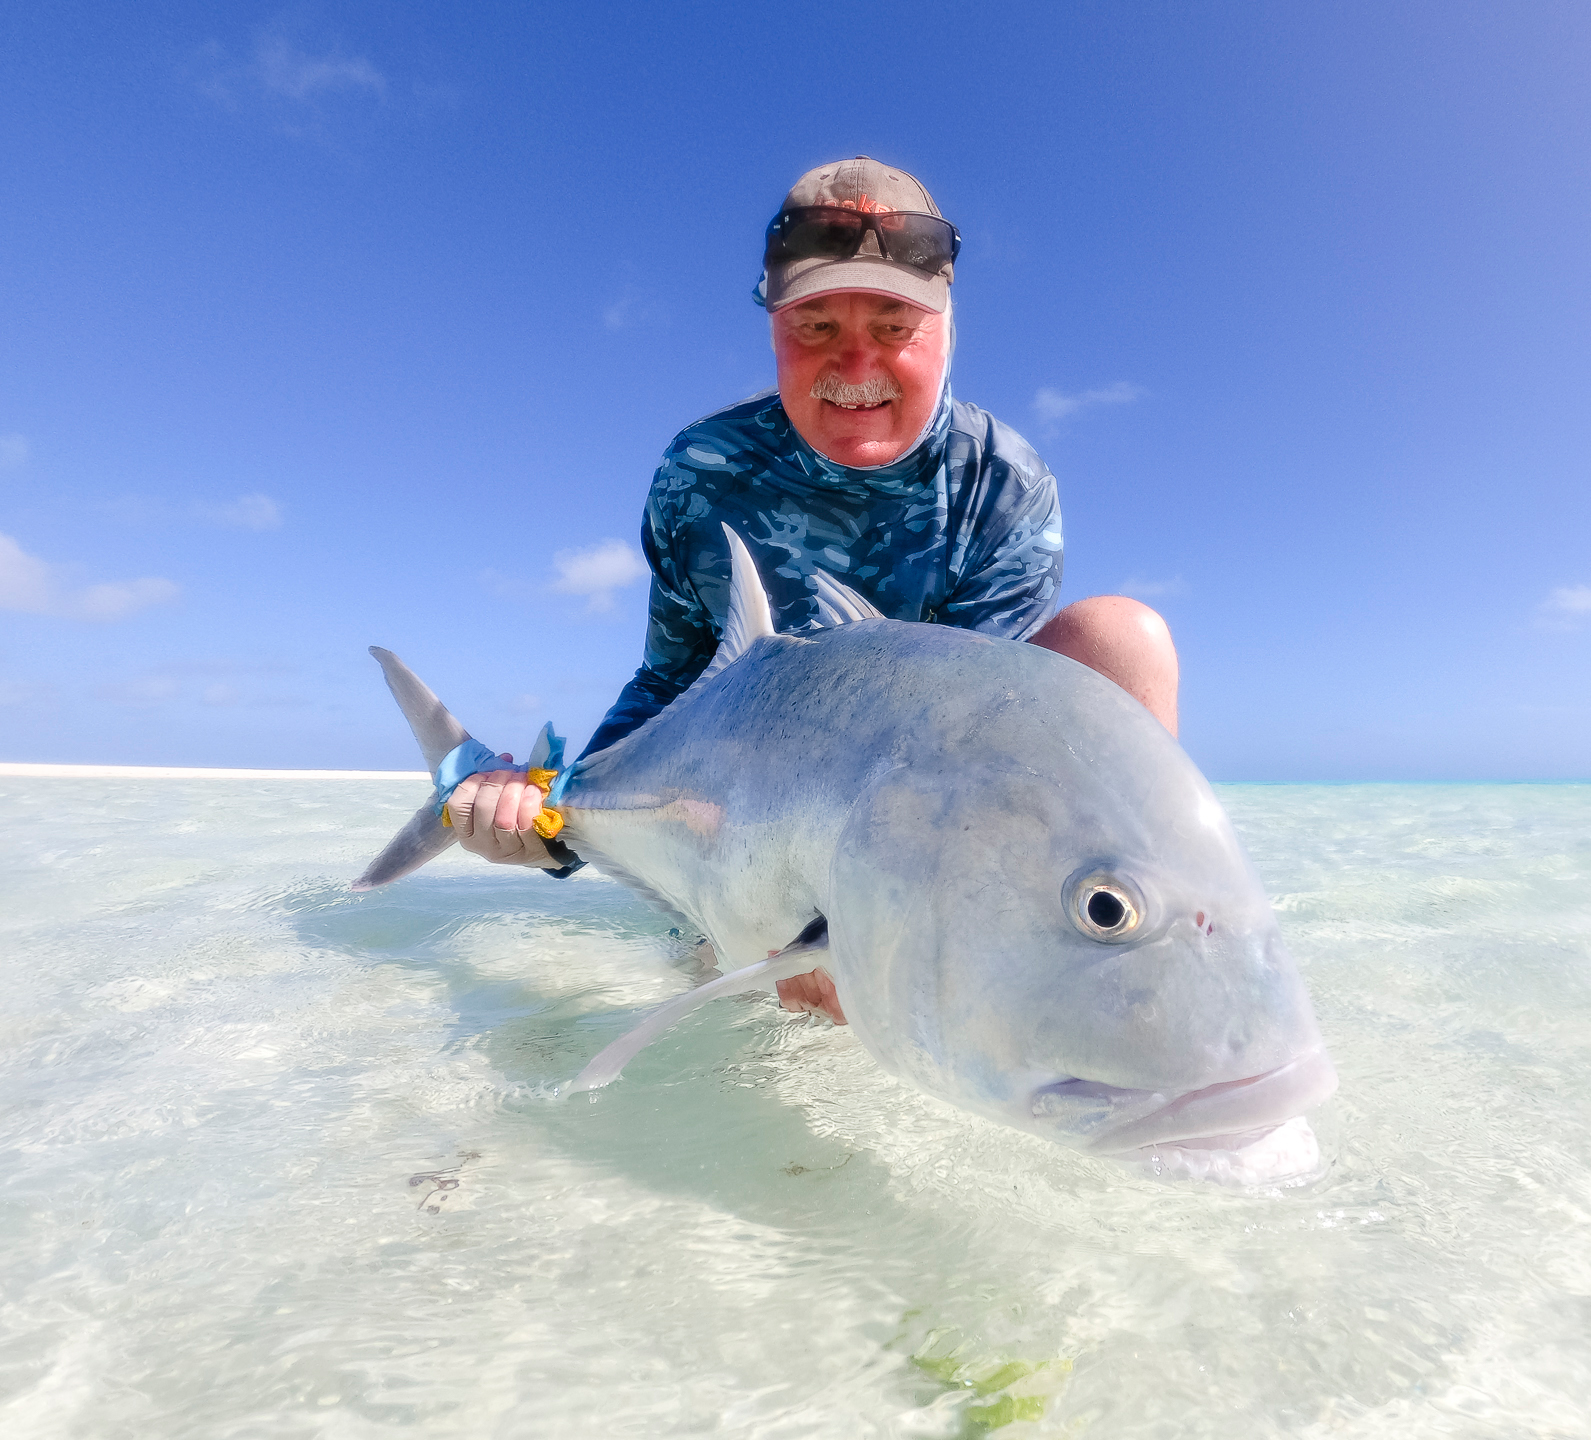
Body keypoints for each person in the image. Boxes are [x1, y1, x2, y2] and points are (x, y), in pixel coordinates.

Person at [446, 156, 1178, 1023]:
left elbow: (982, 732)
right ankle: (731, 947)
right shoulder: (702, 473)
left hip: (906, 796)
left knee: (1120, 641)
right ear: (772, 328)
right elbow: (670, 680)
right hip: (736, 808)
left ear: (948, 327)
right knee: (738, 1015)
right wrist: (554, 825)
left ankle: (1128, 964)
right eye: (818, 324)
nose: (856, 360)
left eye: (895, 322)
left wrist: (881, 915)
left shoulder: (1003, 483)